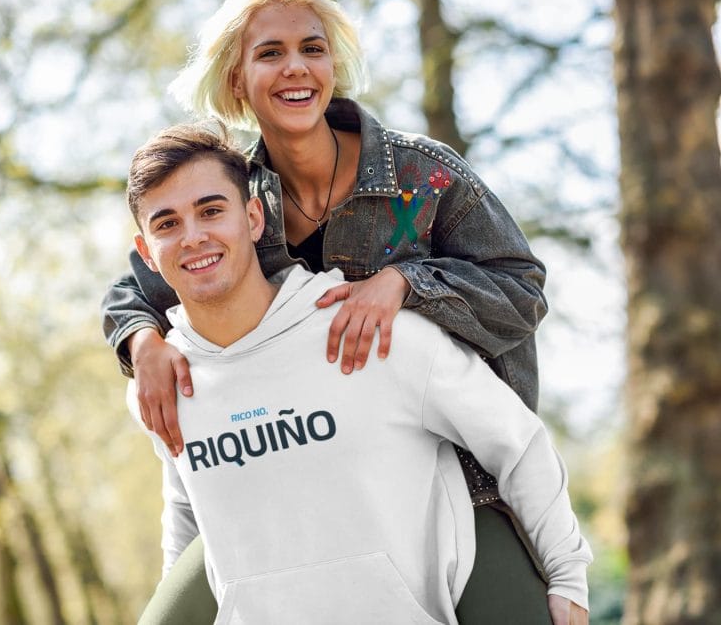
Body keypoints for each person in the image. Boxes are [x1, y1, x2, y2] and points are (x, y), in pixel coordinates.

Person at [102, 0, 551, 623]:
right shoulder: (229, 198)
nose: (296, 68)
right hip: (284, 485)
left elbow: (520, 289)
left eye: (312, 48)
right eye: (270, 52)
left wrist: (405, 283)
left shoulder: (421, 178)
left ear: (332, 65)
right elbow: (135, 287)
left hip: (452, 483)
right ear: (237, 79)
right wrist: (143, 342)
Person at [122, 123, 591, 624]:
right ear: (147, 253)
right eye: (167, 224)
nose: (194, 237)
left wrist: (568, 576)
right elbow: (189, 513)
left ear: (254, 218)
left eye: (212, 211)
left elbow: (517, 443)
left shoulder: (375, 337)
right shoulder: (163, 382)